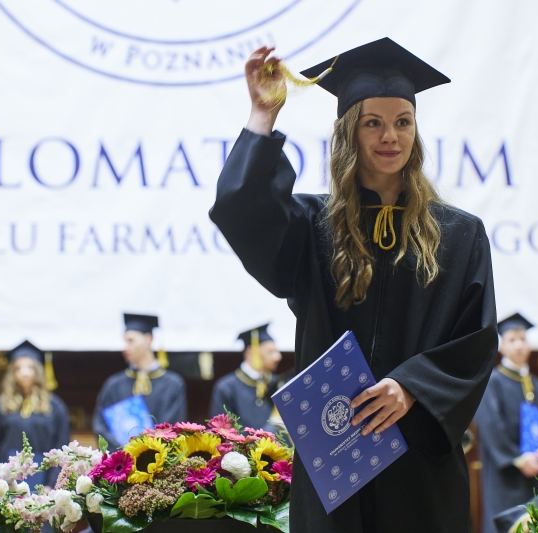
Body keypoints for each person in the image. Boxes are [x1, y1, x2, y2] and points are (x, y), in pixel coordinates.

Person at [209, 38, 498, 532]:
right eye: (373, 123)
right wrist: (262, 116)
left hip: (419, 460)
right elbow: (242, 210)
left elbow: (475, 340)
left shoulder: (459, 234)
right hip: (334, 460)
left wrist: (411, 387)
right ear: (349, 132)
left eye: (402, 121)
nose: (391, 136)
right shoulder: (313, 226)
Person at [475, 313, 538, 533]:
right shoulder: (492, 383)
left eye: (523, 339)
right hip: (508, 476)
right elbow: (490, 427)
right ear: (501, 346)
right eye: (512, 339)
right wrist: (517, 458)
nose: (518, 345)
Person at [0, 340, 70, 487]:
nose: (25, 373)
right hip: (8, 478)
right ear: (12, 373)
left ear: (38, 371)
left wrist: (52, 484)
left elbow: (61, 445)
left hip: (44, 475)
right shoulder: (1, 406)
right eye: (19, 368)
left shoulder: (55, 406)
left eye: (30, 367)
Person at [92, 314, 187, 449]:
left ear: (148, 339)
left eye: (131, 340)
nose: (125, 347)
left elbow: (174, 426)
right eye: (124, 341)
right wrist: (123, 453)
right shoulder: (114, 385)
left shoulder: (172, 384)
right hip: (120, 463)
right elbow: (101, 426)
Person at [209, 324, 282, 431]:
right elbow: (220, 431)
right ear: (251, 352)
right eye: (270, 352)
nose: (278, 357)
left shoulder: (279, 384)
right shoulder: (226, 388)